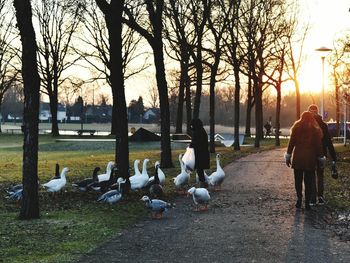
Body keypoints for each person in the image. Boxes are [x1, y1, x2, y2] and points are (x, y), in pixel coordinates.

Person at [284, 111, 324, 210]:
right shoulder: (315, 130)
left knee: (298, 181)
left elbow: (291, 143)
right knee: (308, 182)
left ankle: (299, 199)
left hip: (298, 158)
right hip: (310, 159)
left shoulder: (296, 128)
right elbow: (319, 146)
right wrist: (321, 159)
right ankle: (307, 203)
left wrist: (288, 156)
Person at [308, 104, 338, 205]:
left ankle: (313, 199)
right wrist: (333, 156)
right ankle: (320, 197)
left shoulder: (307, 124)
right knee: (320, 175)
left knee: (312, 175)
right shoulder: (323, 125)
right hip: (321, 153)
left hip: (311, 153)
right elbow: (328, 142)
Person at [189, 118, 210, 188]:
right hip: (202, 154)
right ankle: (203, 184)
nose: (191, 127)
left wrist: (191, 145)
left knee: (199, 170)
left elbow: (198, 143)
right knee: (200, 170)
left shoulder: (198, 132)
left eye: (192, 125)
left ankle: (203, 185)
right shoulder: (201, 131)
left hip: (200, 154)